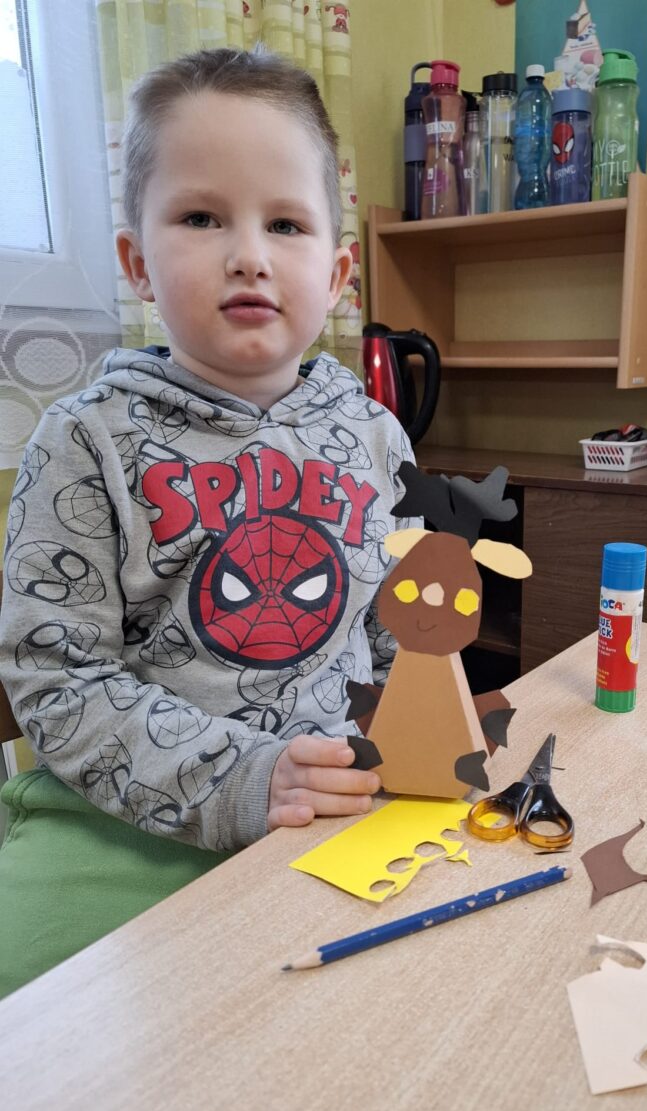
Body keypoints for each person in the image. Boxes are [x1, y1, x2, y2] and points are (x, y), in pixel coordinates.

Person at [0, 47, 416, 996]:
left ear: (337, 273)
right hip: (118, 823)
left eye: (286, 224)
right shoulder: (84, 440)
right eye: (201, 217)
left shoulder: (375, 436)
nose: (250, 255)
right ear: (136, 263)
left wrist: (421, 728)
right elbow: (55, 681)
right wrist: (244, 779)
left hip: (338, 803)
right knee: (42, 1035)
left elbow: (396, 635)